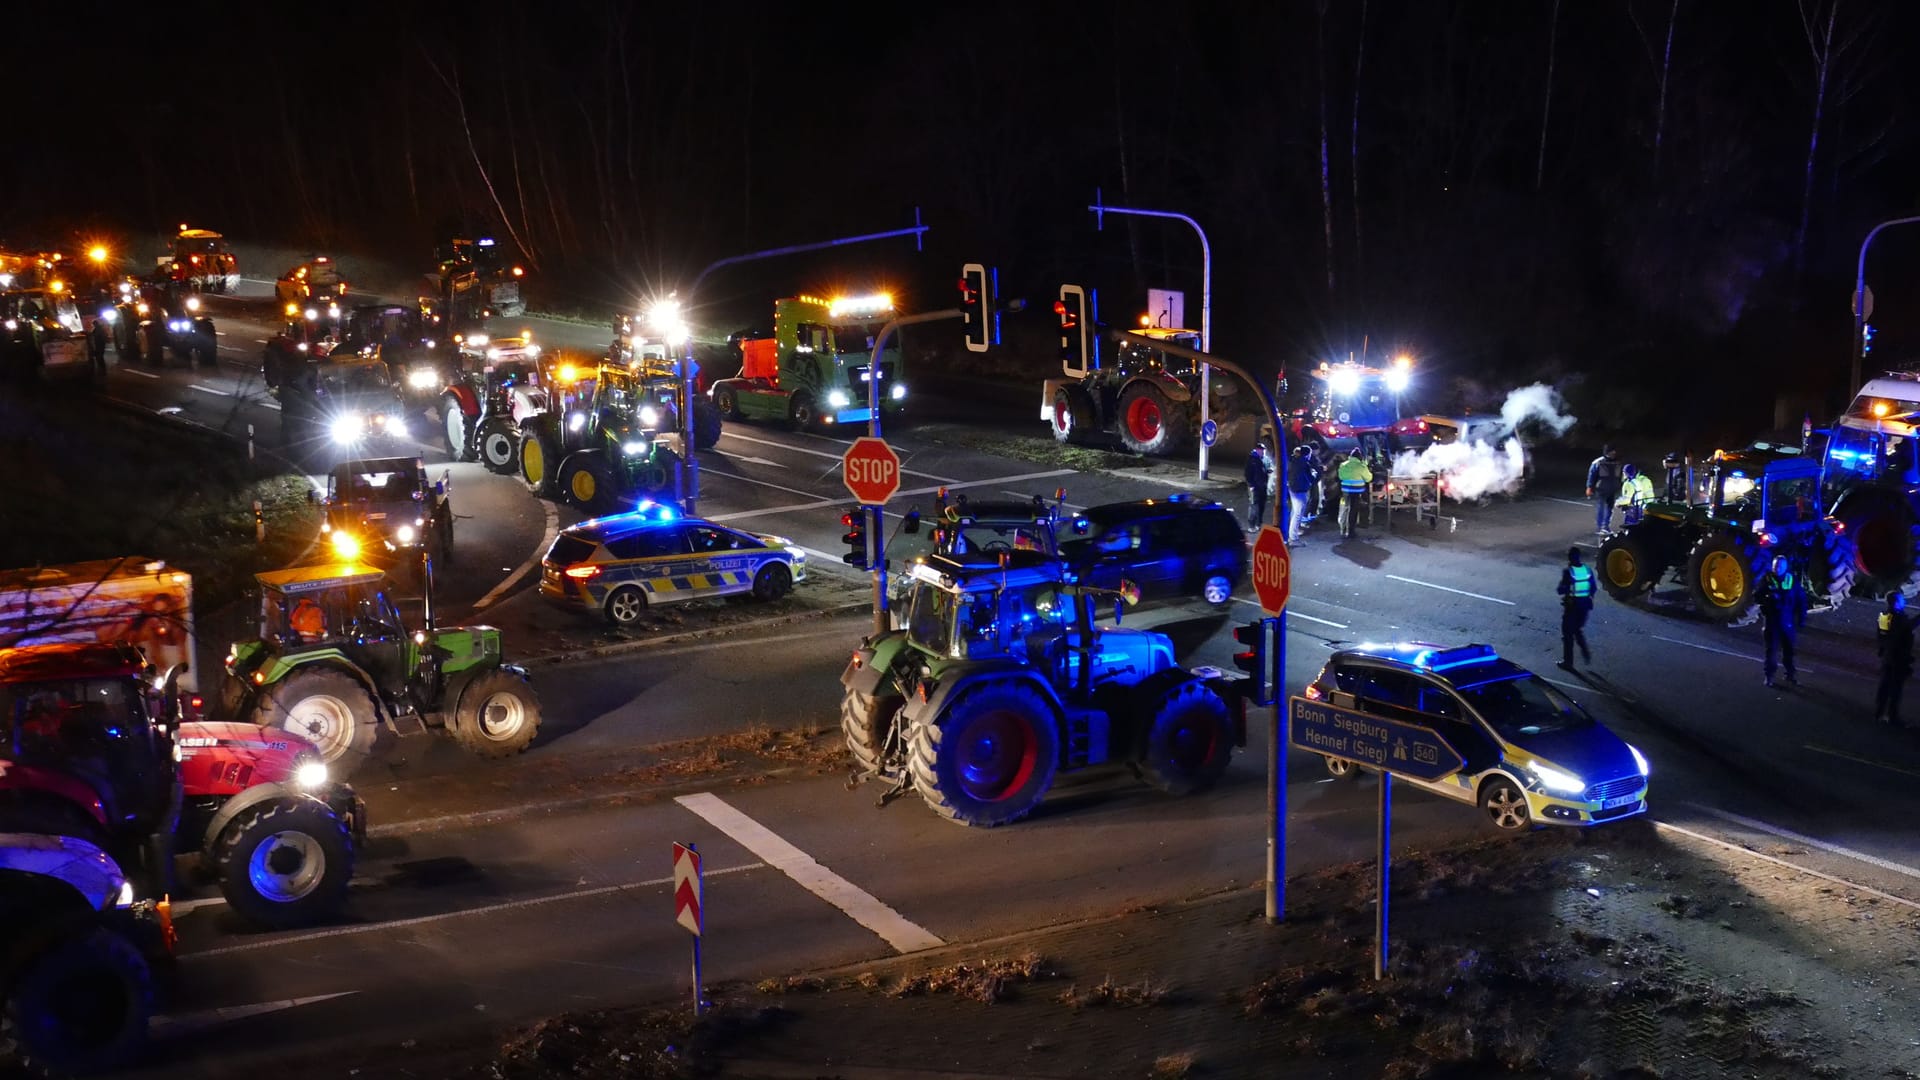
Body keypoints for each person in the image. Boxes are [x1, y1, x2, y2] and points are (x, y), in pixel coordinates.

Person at [1756, 555, 1805, 689]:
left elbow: (1801, 599)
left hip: (1787, 621)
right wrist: (1768, 599)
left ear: (1785, 567)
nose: (1777, 568)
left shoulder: (1791, 580)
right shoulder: (1766, 579)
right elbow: (1757, 596)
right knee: (1771, 651)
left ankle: (1790, 675)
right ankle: (1769, 677)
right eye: (1775, 566)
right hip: (1772, 621)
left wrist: (1802, 618)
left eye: (1780, 566)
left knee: (1789, 650)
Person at [1877, 592, 1914, 728]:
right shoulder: (1899, 618)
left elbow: (1881, 637)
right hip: (1897, 659)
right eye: (1901, 600)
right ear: (1896, 602)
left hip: (1888, 657)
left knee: (1884, 687)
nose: (1903, 602)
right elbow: (1906, 629)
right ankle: (1892, 717)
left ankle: (1879, 713)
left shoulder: (1884, 616)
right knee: (1895, 690)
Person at [1556, 546, 1595, 670]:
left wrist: (1565, 590)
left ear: (1569, 557)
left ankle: (1568, 663)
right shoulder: (1587, 570)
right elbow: (1593, 588)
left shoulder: (1569, 571)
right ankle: (1585, 651)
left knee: (1567, 634)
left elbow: (1561, 590)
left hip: (1572, 607)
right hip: (1585, 606)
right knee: (1577, 630)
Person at [1286, 445, 1320, 544]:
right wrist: (1315, 474)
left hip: (1293, 489)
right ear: (1307, 454)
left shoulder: (1293, 460)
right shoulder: (1304, 464)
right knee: (1297, 513)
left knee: (1294, 512)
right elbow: (1311, 479)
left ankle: (1292, 533)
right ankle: (1293, 538)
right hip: (1299, 490)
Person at [1336, 448, 1372, 539]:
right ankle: (1351, 532)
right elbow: (1368, 478)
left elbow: (1340, 477)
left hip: (1345, 492)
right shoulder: (1361, 466)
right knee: (1353, 511)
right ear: (1359, 457)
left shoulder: (1343, 465)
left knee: (1344, 509)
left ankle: (1343, 530)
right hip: (1357, 492)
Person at [1586, 445, 1623, 533]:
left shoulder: (1617, 462)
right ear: (1607, 452)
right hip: (1601, 489)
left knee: (1610, 509)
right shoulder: (1598, 462)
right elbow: (1592, 475)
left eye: (1614, 451)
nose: (1614, 453)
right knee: (1601, 508)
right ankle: (1599, 527)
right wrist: (1589, 487)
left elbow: (1620, 475)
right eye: (1612, 451)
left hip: (1612, 489)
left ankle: (1606, 526)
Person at [1243, 443, 1271, 530]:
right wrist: (1251, 485)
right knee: (1254, 505)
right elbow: (1248, 474)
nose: (1263, 452)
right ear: (1257, 450)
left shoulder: (1263, 459)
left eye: (1264, 450)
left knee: (1261, 505)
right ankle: (1251, 525)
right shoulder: (1252, 460)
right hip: (1254, 487)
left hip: (1263, 486)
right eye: (1262, 450)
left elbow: (1264, 470)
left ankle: (1258, 524)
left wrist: (1267, 471)